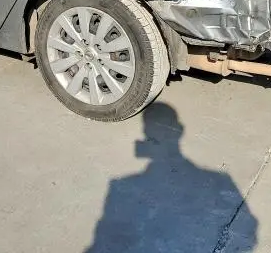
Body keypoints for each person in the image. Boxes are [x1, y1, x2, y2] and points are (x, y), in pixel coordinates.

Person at [85, 101, 258, 252]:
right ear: (180, 131)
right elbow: (250, 235)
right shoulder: (220, 181)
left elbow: (104, 238)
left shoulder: (119, 186)